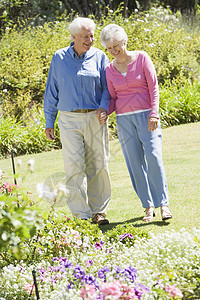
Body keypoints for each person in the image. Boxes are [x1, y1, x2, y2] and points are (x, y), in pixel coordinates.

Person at [100, 24, 172, 222]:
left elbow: (154, 88)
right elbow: (113, 98)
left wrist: (154, 114)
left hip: (147, 117)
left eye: (116, 46)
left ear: (124, 41)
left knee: (154, 157)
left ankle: (163, 204)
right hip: (124, 120)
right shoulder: (109, 69)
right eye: (109, 48)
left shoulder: (142, 57)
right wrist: (106, 111)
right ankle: (148, 206)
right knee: (135, 164)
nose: (113, 51)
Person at [44, 17, 111, 225]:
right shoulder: (59, 57)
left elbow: (108, 89)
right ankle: (81, 214)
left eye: (92, 35)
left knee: (99, 165)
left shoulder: (100, 57)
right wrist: (49, 120)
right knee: (74, 166)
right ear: (73, 37)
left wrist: (104, 107)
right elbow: (51, 91)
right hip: (69, 119)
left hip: (95, 118)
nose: (90, 39)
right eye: (85, 36)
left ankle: (99, 211)